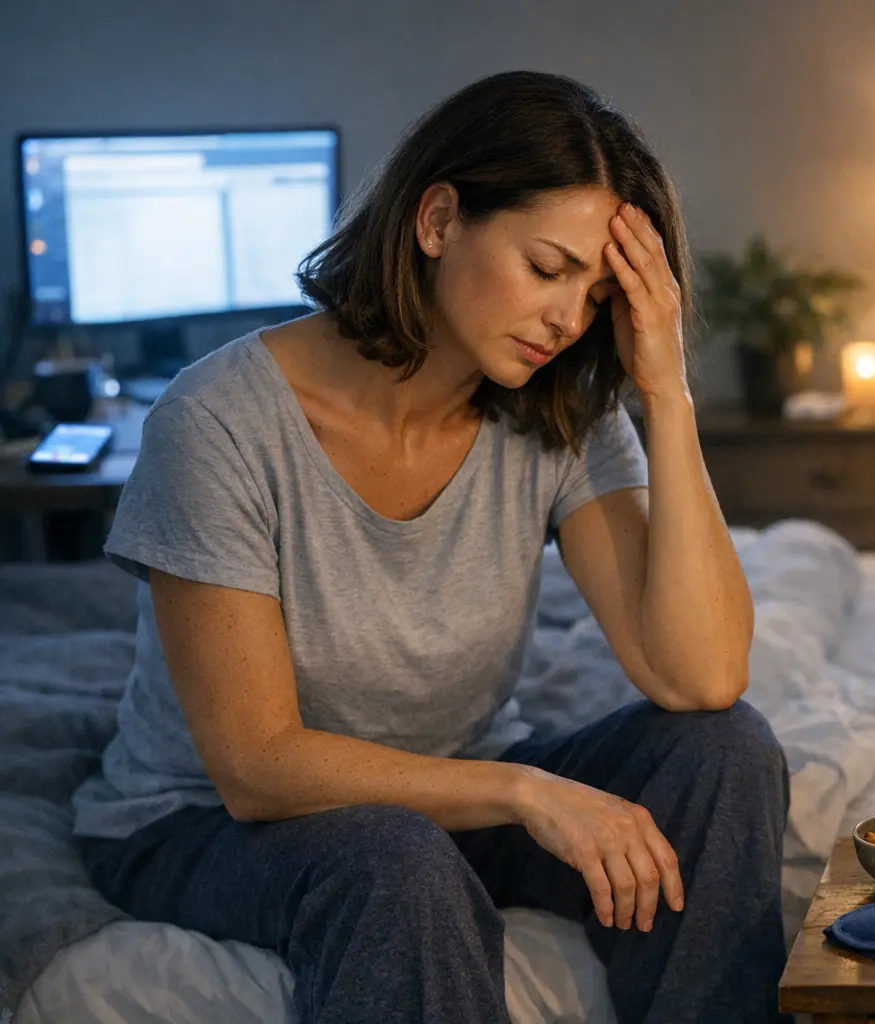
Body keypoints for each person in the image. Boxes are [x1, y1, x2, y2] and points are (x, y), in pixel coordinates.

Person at [71, 70, 790, 1024]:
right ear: (439, 219)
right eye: (547, 268)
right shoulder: (217, 424)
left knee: (724, 752)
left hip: (458, 804)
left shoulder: (561, 411)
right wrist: (527, 791)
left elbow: (700, 677)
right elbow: (256, 766)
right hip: (204, 824)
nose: (568, 320)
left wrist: (667, 389)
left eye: (596, 294)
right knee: (397, 857)